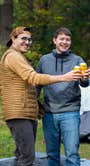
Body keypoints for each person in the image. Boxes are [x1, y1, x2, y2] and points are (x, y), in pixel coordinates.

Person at [0, 26, 83, 166]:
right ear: (13, 39)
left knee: (22, 155)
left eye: (29, 40)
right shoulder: (13, 56)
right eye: (23, 39)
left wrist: (37, 105)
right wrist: (63, 77)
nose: (27, 42)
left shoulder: (19, 57)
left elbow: (27, 86)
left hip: (31, 112)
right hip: (19, 112)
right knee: (27, 157)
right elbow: (34, 78)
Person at [36, 27, 89, 166]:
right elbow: (37, 83)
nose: (64, 42)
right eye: (62, 39)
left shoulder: (77, 60)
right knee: (52, 153)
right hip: (49, 113)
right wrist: (34, 103)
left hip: (70, 112)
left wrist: (84, 79)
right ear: (54, 40)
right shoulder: (44, 60)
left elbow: (85, 84)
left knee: (72, 153)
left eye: (68, 39)